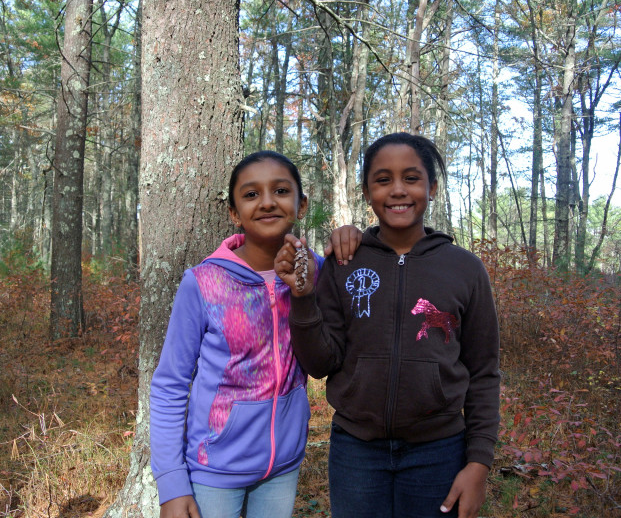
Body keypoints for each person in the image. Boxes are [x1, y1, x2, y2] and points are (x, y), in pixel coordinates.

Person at [275, 132, 501, 518]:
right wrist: (302, 298)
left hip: (439, 451)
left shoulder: (464, 269)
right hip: (357, 451)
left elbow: (483, 373)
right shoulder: (344, 262)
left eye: (411, 178)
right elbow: (319, 364)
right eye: (383, 180)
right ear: (366, 191)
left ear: (431, 187)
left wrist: (478, 463)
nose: (398, 190)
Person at [149, 150, 362, 518]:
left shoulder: (320, 273)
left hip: (282, 466)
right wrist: (170, 482)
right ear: (234, 212)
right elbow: (169, 384)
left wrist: (354, 237)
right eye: (250, 195)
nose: (266, 202)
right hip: (214, 468)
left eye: (280, 190)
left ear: (301, 204)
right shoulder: (203, 283)